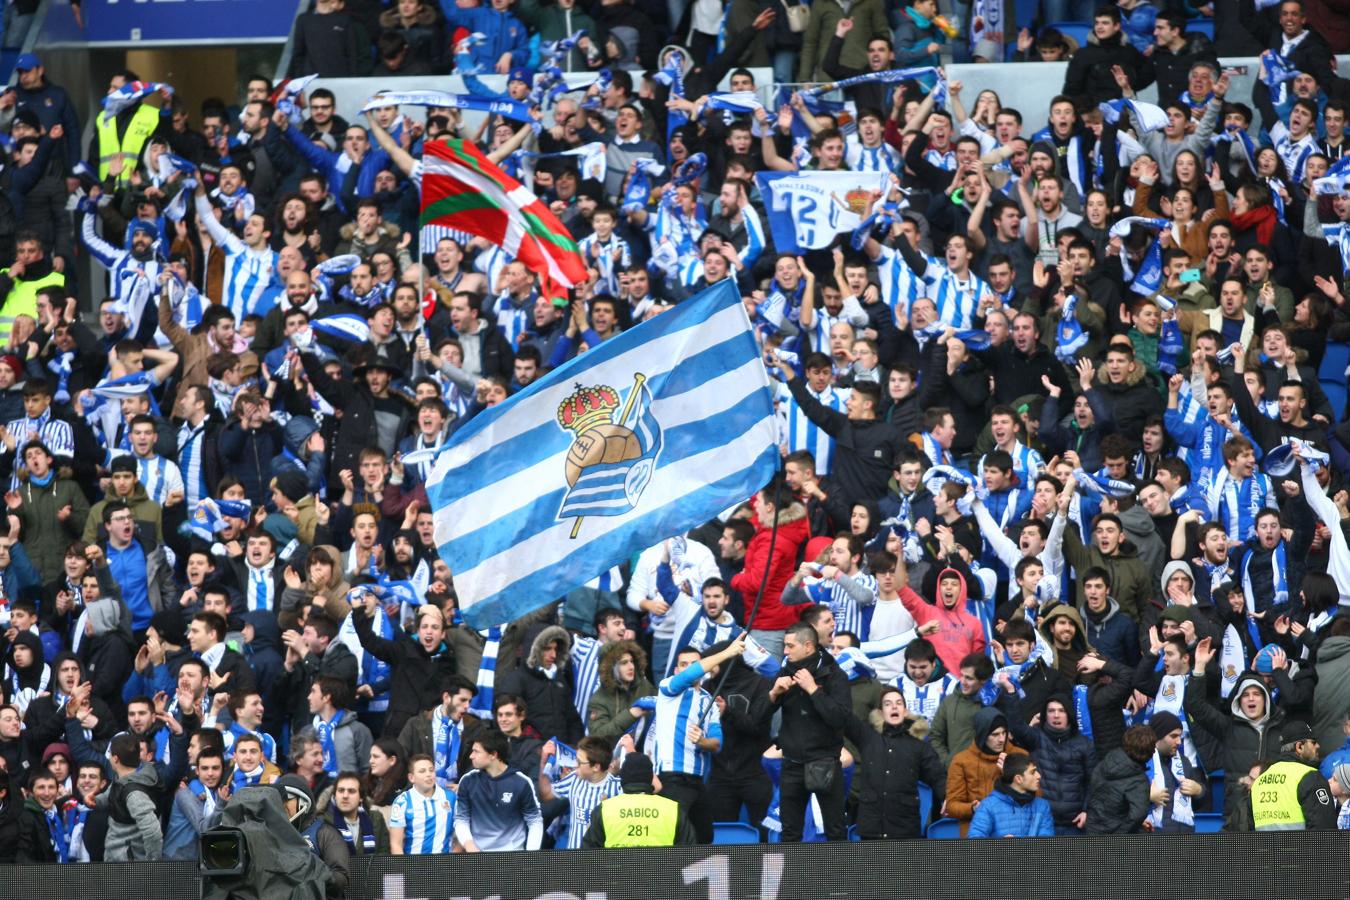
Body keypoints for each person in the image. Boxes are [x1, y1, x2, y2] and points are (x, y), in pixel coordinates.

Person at [768, 622, 851, 842]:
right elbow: (757, 718)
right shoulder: (785, 672)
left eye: (790, 646)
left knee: (836, 831)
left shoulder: (834, 674)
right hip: (792, 763)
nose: (785, 651)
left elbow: (840, 719)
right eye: (785, 646)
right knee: (790, 833)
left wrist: (813, 689)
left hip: (825, 762)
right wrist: (773, 694)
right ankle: (793, 868)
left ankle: (839, 867)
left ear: (807, 646)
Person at [841, 685, 947, 839]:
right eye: (887, 704)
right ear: (880, 712)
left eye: (899, 703)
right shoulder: (867, 738)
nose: (894, 707)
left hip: (904, 830)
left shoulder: (919, 746)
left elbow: (937, 775)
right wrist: (815, 691)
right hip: (871, 828)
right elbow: (842, 716)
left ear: (905, 711)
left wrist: (947, 796)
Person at [582, 752, 698, 848]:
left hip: (617, 870)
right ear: (650, 778)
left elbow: (588, 857)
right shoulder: (673, 810)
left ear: (623, 778)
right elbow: (689, 856)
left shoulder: (604, 810)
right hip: (661, 870)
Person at [453, 730, 543, 852]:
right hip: (477, 855)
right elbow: (461, 819)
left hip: (513, 856)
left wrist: (531, 854)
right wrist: (470, 846)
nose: (471, 756)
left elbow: (534, 821)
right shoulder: (468, 780)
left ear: (493, 755)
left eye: (476, 751)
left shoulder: (521, 782)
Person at [1250, 720, 1338, 831]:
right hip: (1302, 843)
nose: (1318, 746)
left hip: (1265, 843)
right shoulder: (1310, 777)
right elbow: (1324, 830)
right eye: (1313, 742)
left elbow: (1245, 826)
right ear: (1299, 747)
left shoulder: (1259, 781)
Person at [1085, 725, 1155, 835]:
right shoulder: (1139, 780)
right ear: (1150, 752)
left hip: (1093, 828)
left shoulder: (1107, 760)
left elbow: (1092, 787)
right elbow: (1137, 815)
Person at [967, 752, 1055, 838]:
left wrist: (1015, 844)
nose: (1039, 776)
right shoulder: (988, 806)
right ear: (1018, 779)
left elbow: (1046, 844)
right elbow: (974, 841)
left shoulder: (1042, 806)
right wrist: (999, 845)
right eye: (1033, 772)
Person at [389, 754, 456, 854]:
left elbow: (461, 829)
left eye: (431, 770)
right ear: (411, 778)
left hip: (445, 862)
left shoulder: (450, 797)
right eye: (422, 771)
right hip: (413, 862)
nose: (428, 774)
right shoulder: (402, 802)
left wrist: (454, 859)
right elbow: (396, 844)